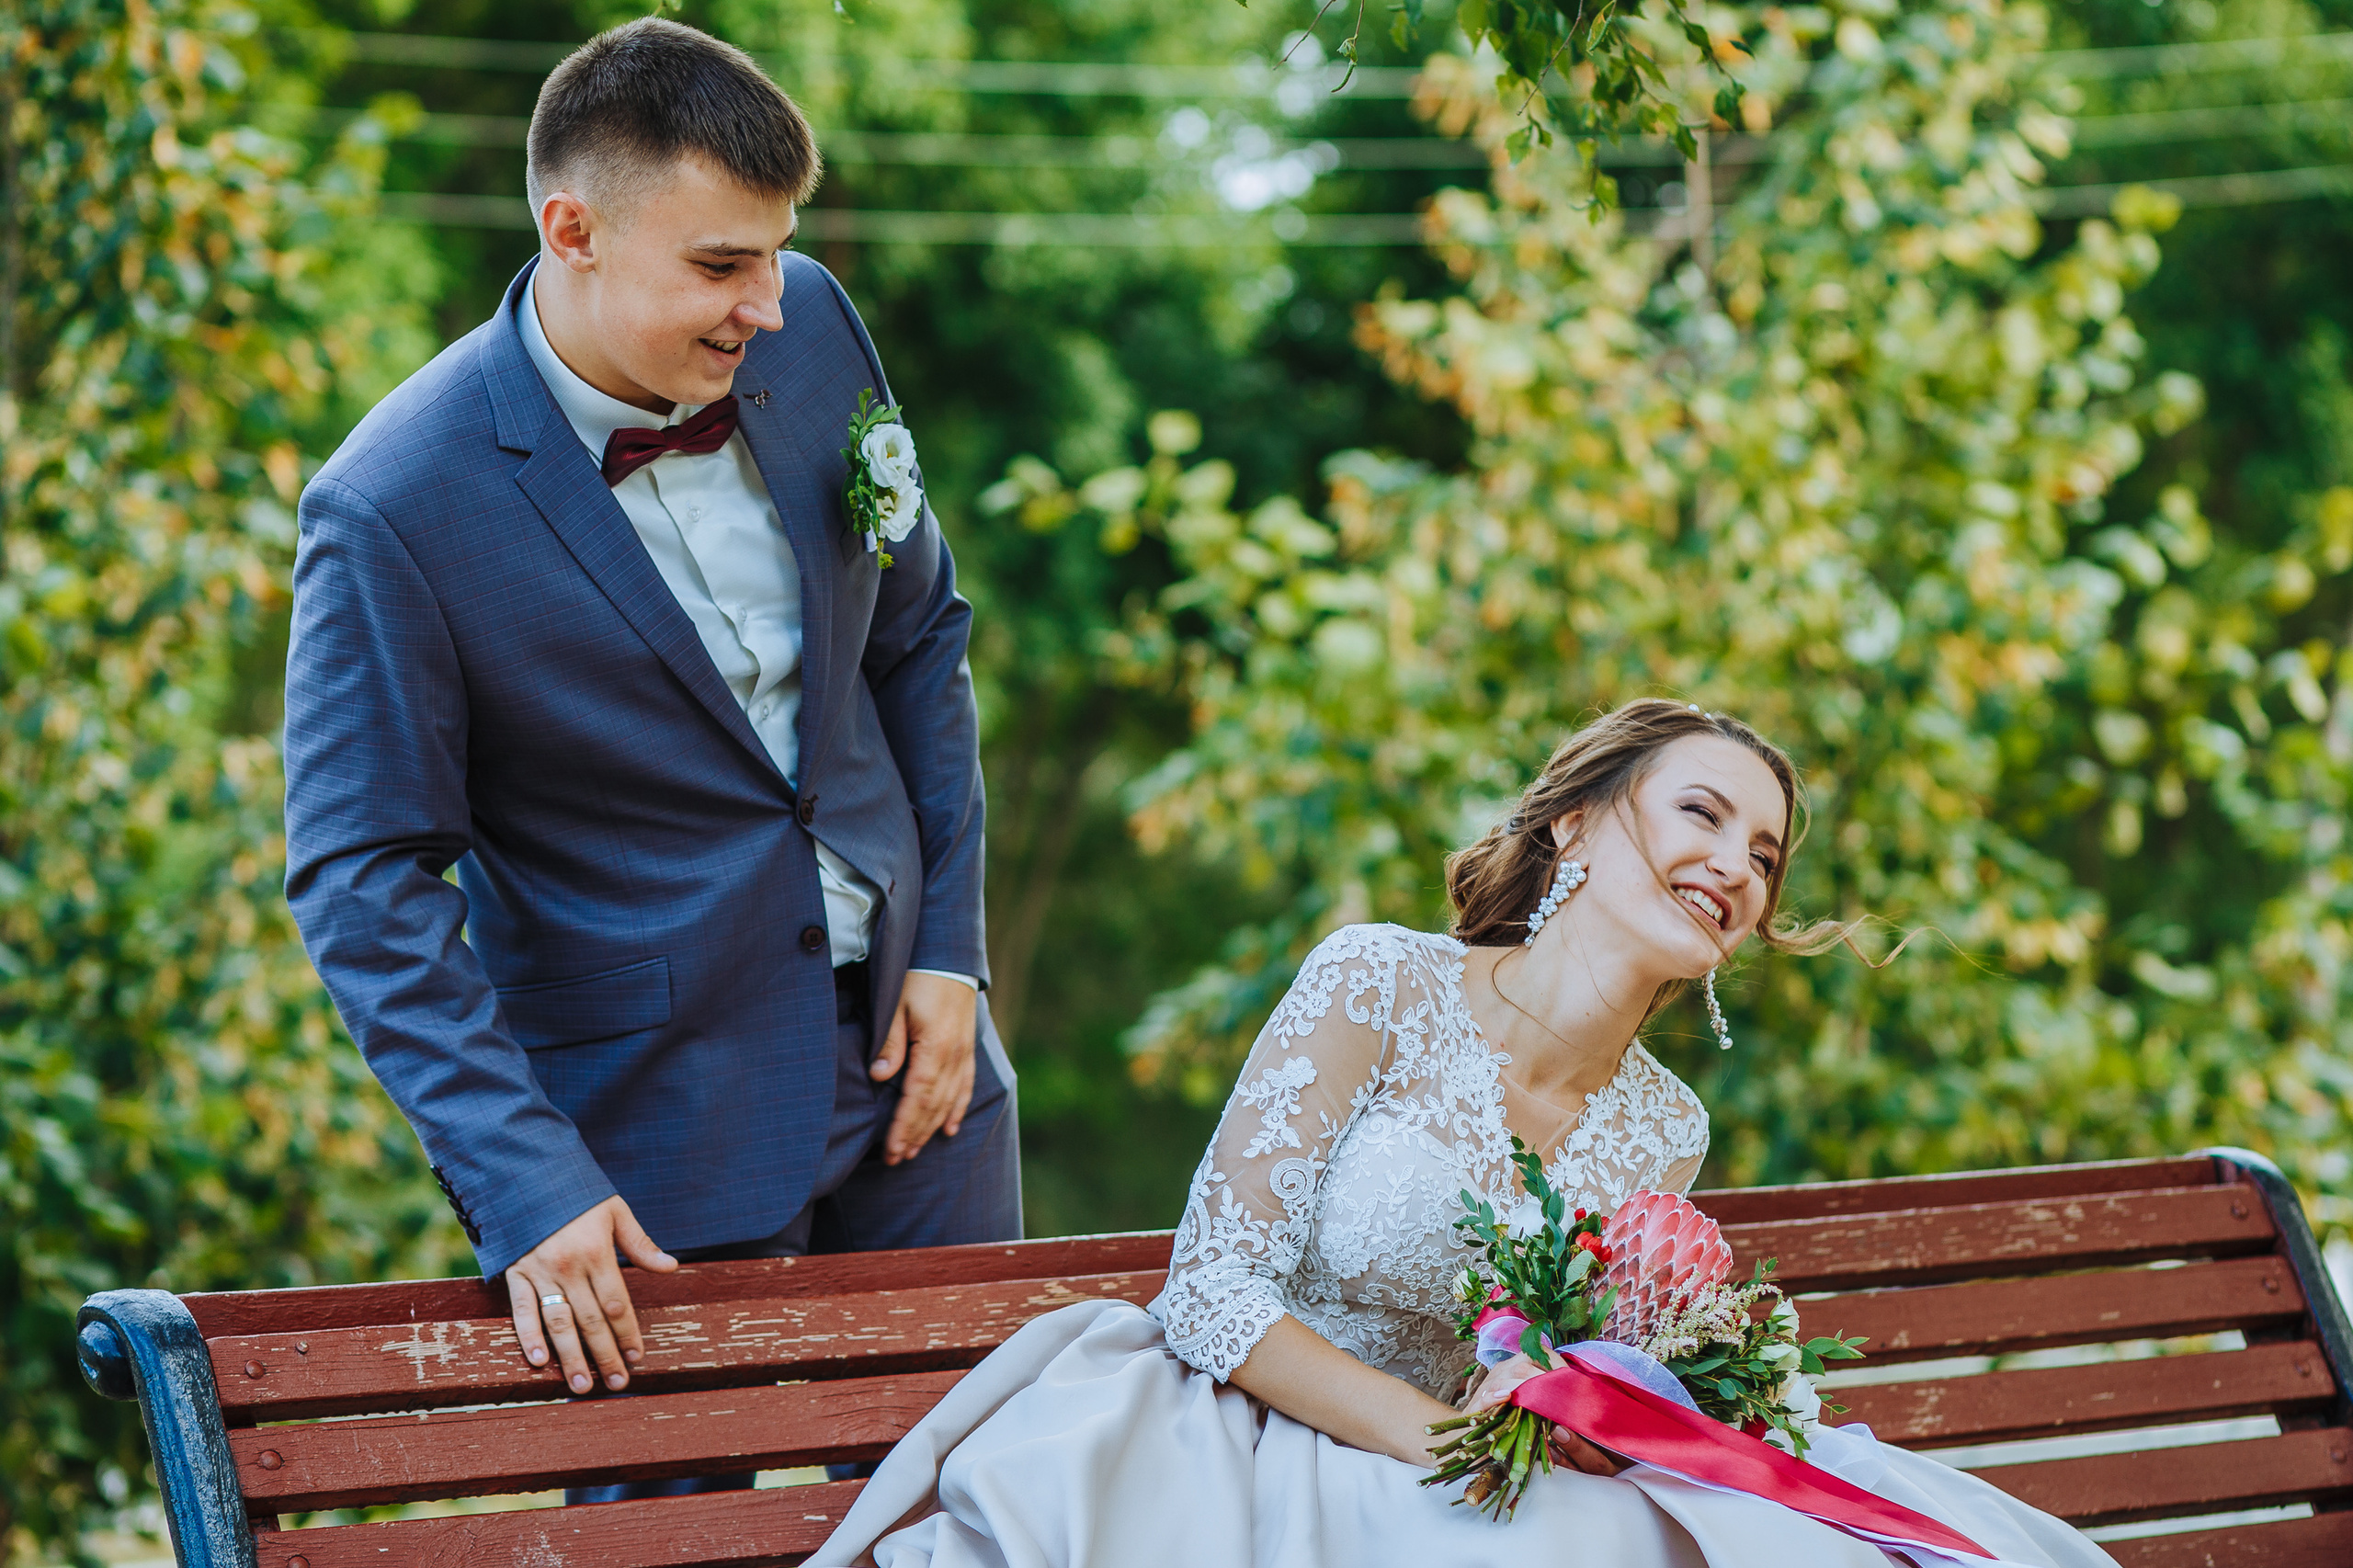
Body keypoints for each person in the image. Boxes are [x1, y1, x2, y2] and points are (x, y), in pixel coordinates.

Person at [812, 699, 2114, 1568]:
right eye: (1702, 814)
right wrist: (1439, 1443)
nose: (1737, 863)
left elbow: (1569, 1355)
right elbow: (1209, 1286)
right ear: (1577, 825)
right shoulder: (1377, 981)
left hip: (1458, 1496)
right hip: (1240, 1434)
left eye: (1766, 852)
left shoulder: (1667, 1122)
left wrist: (1583, 1404)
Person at [280, 17, 1020, 1494]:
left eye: (775, 252)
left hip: (918, 1077)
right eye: (720, 266)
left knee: (984, 1502)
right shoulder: (390, 506)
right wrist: (526, 1183)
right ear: (573, 230)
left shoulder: (810, 335)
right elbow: (364, 880)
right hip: (644, 1150)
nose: (771, 304)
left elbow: (919, 638)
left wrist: (950, 948)